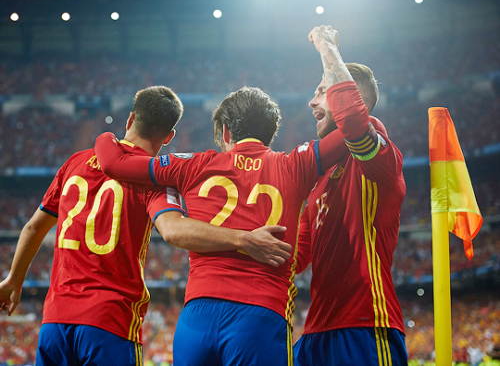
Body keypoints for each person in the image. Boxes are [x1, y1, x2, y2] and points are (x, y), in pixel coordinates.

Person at [0, 85, 291, 366]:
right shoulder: (154, 180)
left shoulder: (74, 163)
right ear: (169, 136)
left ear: (130, 119)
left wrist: (14, 280)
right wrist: (243, 239)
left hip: (55, 321)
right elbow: (173, 229)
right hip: (110, 321)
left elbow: (33, 228)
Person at [93, 79, 356, 363]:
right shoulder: (295, 165)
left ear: (226, 131)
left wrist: (105, 137)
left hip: (196, 318)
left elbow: (113, 164)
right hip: (261, 315)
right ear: (270, 133)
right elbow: (356, 125)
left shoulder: (194, 164)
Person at [293, 26, 408, 366]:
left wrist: (327, 47)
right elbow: (296, 255)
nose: (311, 101)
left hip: (367, 326)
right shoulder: (318, 181)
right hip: (315, 333)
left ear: (348, 94)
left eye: (321, 91)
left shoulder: (381, 158)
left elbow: (355, 123)